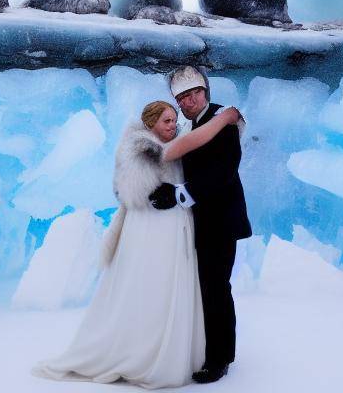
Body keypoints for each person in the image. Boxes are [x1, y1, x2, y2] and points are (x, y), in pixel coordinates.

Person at [32, 100, 241, 390]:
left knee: (182, 287)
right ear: (150, 123)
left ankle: (193, 352)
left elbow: (199, 155)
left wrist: (225, 117)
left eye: (173, 120)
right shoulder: (144, 147)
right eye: (165, 121)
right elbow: (133, 190)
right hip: (150, 231)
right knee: (152, 287)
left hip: (176, 229)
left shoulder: (173, 142)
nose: (172, 125)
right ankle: (146, 350)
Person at [150, 65, 252, 384]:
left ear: (205, 93)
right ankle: (222, 352)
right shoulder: (192, 125)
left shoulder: (222, 120)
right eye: (184, 97)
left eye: (195, 93)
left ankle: (218, 360)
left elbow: (224, 171)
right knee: (211, 287)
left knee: (215, 287)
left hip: (221, 220)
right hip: (205, 221)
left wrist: (181, 194)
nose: (191, 100)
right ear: (178, 102)